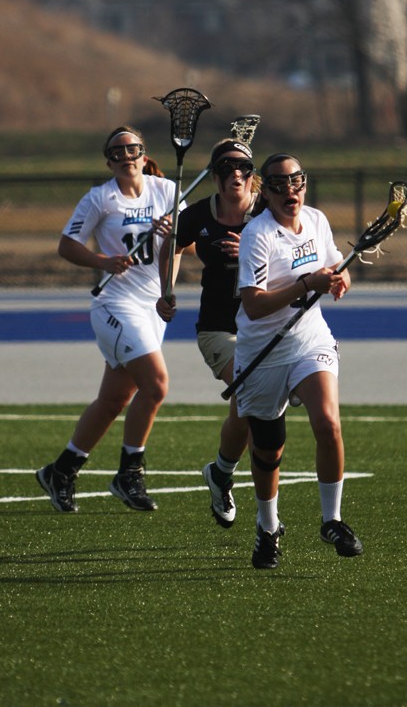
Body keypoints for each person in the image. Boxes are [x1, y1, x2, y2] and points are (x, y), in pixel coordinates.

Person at [36, 125, 176, 513]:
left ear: (145, 155)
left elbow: (186, 247)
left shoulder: (166, 192)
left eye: (133, 149)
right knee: (157, 385)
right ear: (109, 160)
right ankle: (129, 472)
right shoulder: (101, 198)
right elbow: (67, 245)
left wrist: (172, 241)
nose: (127, 156)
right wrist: (104, 261)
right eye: (118, 151)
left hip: (151, 308)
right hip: (115, 305)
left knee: (114, 399)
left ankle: (61, 471)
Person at [233, 152, 364, 568]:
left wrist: (341, 278)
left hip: (309, 340)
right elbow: (253, 306)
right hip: (262, 351)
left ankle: (333, 520)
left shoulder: (318, 220)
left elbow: (332, 268)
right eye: (279, 184)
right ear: (264, 191)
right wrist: (307, 283)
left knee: (328, 423)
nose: (291, 190)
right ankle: (268, 526)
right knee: (268, 450)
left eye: (297, 181)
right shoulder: (258, 234)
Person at [156, 138, 262, 528]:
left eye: (243, 169)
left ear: (253, 177)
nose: (236, 174)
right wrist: (165, 290)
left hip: (266, 328)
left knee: (250, 408)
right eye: (227, 169)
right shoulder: (199, 214)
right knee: (251, 393)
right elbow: (171, 247)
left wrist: (250, 252)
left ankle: (220, 473)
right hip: (219, 329)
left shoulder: (268, 213)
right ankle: (268, 518)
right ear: (215, 177)